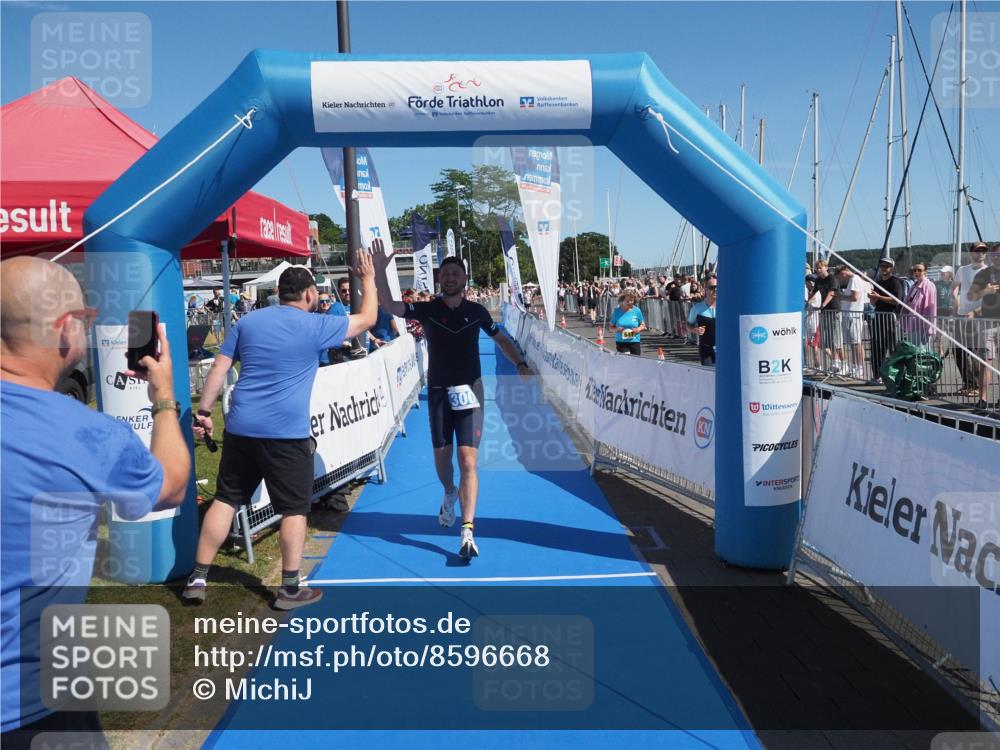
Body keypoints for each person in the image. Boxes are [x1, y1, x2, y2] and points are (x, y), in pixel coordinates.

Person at [1, 257, 189, 746]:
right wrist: (164, 396)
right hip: (32, 706)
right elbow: (170, 485)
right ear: (64, 330)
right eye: (84, 320)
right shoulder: (86, 435)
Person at [187, 252, 377, 608]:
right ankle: (290, 589)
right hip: (285, 433)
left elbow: (218, 369)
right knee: (293, 509)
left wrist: (204, 411)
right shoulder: (315, 325)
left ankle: (198, 578)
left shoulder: (248, 322)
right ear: (308, 295)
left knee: (227, 499)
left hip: (241, 426)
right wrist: (368, 278)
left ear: (278, 290)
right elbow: (369, 318)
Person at [374, 255, 530, 561]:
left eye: (455, 273)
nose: (449, 277)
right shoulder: (428, 309)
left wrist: (521, 363)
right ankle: (449, 491)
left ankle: (467, 530)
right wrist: (379, 272)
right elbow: (391, 307)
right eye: (445, 273)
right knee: (444, 461)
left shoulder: (477, 311)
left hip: (471, 391)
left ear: (464, 279)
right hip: (439, 392)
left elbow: (501, 339)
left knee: (468, 460)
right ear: (439, 279)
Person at [966, 244, 1000, 412]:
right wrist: (985, 291)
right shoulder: (984, 274)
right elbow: (971, 295)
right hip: (987, 323)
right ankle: (982, 399)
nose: (997, 257)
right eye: (995, 254)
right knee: (985, 363)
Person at [953, 242, 988, 396]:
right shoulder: (963, 270)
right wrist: (955, 301)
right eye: (977, 250)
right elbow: (954, 286)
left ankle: (975, 386)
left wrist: (975, 312)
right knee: (958, 351)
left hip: (980, 318)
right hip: (962, 315)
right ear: (971, 252)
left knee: (974, 352)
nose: (980, 253)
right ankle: (968, 383)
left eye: (983, 251)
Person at [867, 257, 904, 384]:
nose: (884, 268)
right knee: (877, 347)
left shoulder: (896, 282)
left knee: (892, 348)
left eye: (887, 266)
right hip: (878, 316)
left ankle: (896, 377)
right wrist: (873, 298)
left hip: (890, 317)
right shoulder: (878, 282)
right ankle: (877, 376)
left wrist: (879, 297)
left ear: (891, 268)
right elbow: (873, 301)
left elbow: (896, 300)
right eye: (882, 266)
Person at [835, 265, 866, 379]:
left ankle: (859, 367)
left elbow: (855, 297)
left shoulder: (854, 279)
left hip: (854, 314)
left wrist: (842, 297)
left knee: (856, 342)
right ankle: (855, 366)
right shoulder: (853, 280)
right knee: (853, 343)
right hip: (850, 314)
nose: (841, 279)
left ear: (844, 272)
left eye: (840, 276)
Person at [900, 263, 937, 346]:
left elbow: (930, 308)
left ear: (925, 272)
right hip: (911, 323)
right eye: (914, 270)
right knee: (913, 351)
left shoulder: (929, 286)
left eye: (919, 270)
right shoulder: (914, 285)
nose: (916, 272)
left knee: (921, 352)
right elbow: (910, 302)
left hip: (921, 326)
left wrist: (927, 326)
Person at [687, 278, 717, 365]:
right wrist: (695, 330)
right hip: (706, 349)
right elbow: (689, 325)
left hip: (724, 349)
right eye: (712, 287)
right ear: (705, 289)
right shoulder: (697, 308)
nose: (715, 290)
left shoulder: (725, 306)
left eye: (717, 287)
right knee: (709, 376)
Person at [610, 290, 646, 356]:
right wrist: (617, 329)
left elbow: (643, 325)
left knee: (636, 361)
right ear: (622, 300)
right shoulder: (617, 311)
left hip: (634, 340)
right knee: (626, 358)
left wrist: (638, 329)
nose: (630, 302)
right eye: (627, 301)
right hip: (621, 341)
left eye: (631, 300)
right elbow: (611, 327)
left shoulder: (637, 310)